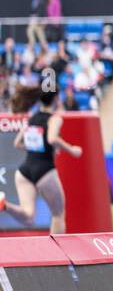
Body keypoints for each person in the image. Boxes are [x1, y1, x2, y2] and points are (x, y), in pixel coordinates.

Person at [0, 85, 82, 233]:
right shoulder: (54, 118)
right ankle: (58, 255)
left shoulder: (33, 118)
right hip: (44, 170)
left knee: (28, 217)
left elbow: (17, 143)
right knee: (58, 215)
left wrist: (37, 148)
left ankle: (4, 205)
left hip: (24, 171)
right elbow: (51, 138)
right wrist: (72, 150)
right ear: (56, 99)